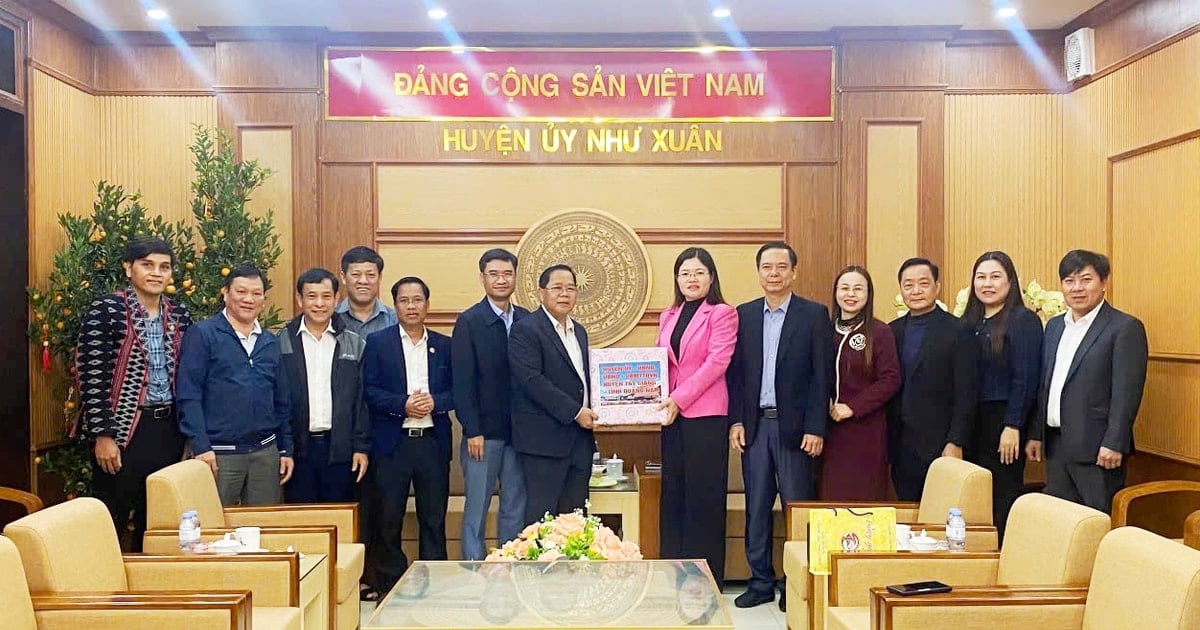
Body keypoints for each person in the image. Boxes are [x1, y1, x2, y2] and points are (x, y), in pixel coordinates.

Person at [727, 241, 833, 609]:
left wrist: (817, 427)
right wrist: (737, 420)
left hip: (797, 430)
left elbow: (822, 377)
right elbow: (736, 376)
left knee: (796, 510)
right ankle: (759, 582)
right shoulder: (744, 314)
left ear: (793, 272)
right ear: (758, 273)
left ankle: (795, 584)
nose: (774, 274)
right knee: (757, 508)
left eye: (781, 267)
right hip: (755, 427)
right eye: (767, 267)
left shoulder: (813, 314)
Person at [75, 238, 192, 551]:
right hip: (124, 431)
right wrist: (102, 435)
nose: (156, 273)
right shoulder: (106, 310)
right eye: (147, 264)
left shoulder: (179, 313)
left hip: (168, 429)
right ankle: (105, 590)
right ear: (129, 268)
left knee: (156, 516)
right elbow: (92, 376)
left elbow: (189, 376)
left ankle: (150, 588)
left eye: (164, 267)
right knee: (112, 513)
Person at [1026, 250, 1148, 514]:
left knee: (1097, 521)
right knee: (1061, 523)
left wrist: (1115, 442)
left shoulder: (1124, 328)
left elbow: (1127, 392)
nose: (1077, 288)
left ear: (1104, 283)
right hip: (1056, 446)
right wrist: (1036, 434)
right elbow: (1046, 385)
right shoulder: (1055, 326)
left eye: (1086, 279)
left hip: (1098, 450)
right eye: (1069, 281)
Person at [362, 276, 454, 594]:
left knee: (433, 518)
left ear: (427, 305)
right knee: (388, 519)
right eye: (404, 300)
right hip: (392, 444)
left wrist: (436, 402)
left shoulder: (444, 345)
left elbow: (459, 391)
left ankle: (435, 583)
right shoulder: (377, 342)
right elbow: (369, 391)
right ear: (395, 305)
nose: (411, 306)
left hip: (431, 442)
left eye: (417, 300)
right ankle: (391, 585)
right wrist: (402, 404)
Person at [655, 247, 738, 588]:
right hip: (671, 418)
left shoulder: (722, 313)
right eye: (685, 273)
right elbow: (660, 362)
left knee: (703, 497)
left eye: (699, 272)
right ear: (677, 278)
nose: (692, 278)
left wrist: (677, 399)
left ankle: (704, 577)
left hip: (705, 416)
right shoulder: (668, 314)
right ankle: (674, 573)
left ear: (711, 277)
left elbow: (716, 364)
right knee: (674, 494)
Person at [177, 264, 294, 506]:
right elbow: (189, 394)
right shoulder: (203, 334)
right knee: (214, 531)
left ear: (263, 298)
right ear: (225, 293)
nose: (248, 299)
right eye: (241, 292)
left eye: (256, 293)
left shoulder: (270, 341)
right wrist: (201, 446)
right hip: (218, 455)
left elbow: (281, 400)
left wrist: (285, 448)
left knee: (264, 531)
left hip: (265, 454)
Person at [452, 248, 530, 560]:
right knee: (477, 508)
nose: (501, 280)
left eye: (507, 274)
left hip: (521, 434)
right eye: (494, 274)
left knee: (515, 505)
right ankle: (474, 567)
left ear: (515, 277)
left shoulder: (528, 319)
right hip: (483, 435)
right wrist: (472, 429)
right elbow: (463, 382)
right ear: (482, 278)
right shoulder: (470, 321)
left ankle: (510, 563)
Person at [961, 252, 1042, 536]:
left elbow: (1027, 378)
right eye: (981, 277)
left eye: (995, 277)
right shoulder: (969, 321)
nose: (987, 284)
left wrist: (1013, 425)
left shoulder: (1023, 320)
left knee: (1002, 495)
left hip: (1003, 420)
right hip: (971, 422)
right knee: (973, 498)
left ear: (1011, 281)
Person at [509, 264, 596, 525]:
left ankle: (574, 568)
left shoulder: (579, 331)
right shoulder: (526, 329)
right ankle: (538, 569)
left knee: (576, 521)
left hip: (579, 442)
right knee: (542, 522)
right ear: (541, 293)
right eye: (557, 288)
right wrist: (575, 412)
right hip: (543, 443)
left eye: (571, 288)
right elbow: (532, 381)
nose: (564, 294)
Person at [888, 258, 978, 502]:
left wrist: (955, 441)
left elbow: (967, 393)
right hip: (900, 444)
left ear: (937, 286)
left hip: (940, 442)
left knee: (941, 512)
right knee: (908, 510)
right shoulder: (891, 331)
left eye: (923, 283)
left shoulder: (959, 330)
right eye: (908, 285)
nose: (916, 291)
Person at [280, 268, 371, 503]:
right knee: (302, 523)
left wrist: (361, 447)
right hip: (297, 450)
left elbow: (362, 401)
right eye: (311, 296)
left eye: (326, 296)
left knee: (340, 520)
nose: (319, 303)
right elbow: (277, 401)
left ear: (336, 299)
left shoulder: (353, 342)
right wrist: (284, 449)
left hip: (340, 449)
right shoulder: (281, 341)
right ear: (299, 299)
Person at [819, 265, 901, 501]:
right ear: (835, 292)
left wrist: (852, 407)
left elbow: (891, 379)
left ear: (868, 294)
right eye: (844, 288)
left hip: (866, 431)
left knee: (863, 499)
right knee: (830, 499)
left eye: (858, 289)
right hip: (828, 432)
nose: (850, 294)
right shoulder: (824, 330)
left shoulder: (879, 331)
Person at [335, 246, 398, 337]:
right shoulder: (330, 319)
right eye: (356, 275)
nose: (363, 281)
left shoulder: (395, 320)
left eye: (370, 275)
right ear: (343, 277)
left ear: (379, 277)